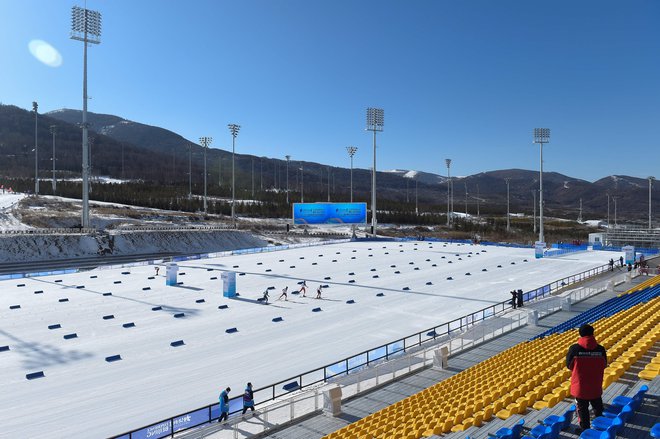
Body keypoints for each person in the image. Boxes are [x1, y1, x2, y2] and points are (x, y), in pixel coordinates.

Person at [566, 324, 607, 431]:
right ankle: (601, 427)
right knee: (598, 408)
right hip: (595, 385)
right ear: (592, 333)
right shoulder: (601, 349)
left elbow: (569, 366)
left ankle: (585, 430)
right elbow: (604, 364)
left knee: (582, 410)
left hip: (580, 387)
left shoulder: (574, 349)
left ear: (580, 334)